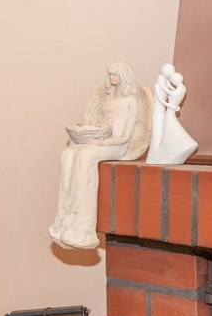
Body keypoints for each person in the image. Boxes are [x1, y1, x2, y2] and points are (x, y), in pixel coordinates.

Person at [50, 61, 149, 249]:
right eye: (109, 74)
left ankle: (83, 229)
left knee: (85, 157)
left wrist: (101, 143)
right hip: (101, 140)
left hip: (117, 145)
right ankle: (63, 221)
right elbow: (101, 126)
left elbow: (125, 136)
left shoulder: (131, 101)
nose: (111, 78)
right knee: (67, 154)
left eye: (115, 74)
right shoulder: (107, 99)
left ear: (123, 76)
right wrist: (89, 137)